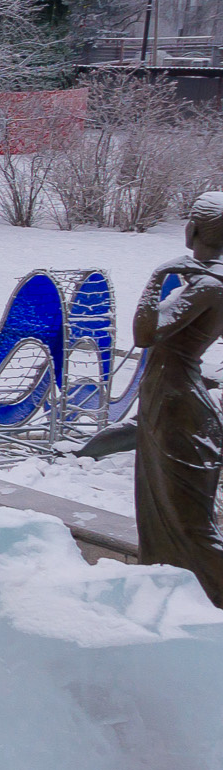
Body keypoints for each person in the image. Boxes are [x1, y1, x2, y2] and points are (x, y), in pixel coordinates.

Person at [132, 191, 223, 604]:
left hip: (177, 407)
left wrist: (158, 276)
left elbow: (144, 333)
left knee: (189, 524)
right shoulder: (207, 281)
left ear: (197, 229)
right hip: (170, 400)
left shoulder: (205, 285)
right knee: (161, 513)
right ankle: (165, 596)